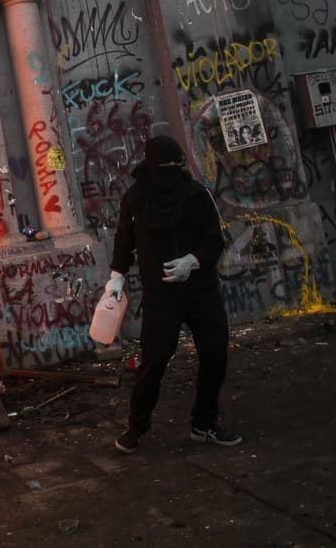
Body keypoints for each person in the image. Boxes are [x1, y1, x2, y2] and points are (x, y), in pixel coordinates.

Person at [104, 134, 240, 452]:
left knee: (215, 352)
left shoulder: (196, 195)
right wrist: (116, 278)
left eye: (175, 165)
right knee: (154, 359)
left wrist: (192, 262)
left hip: (201, 290)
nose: (172, 172)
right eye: (166, 166)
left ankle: (204, 424)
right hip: (160, 295)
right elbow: (124, 242)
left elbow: (214, 240)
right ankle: (136, 428)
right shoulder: (135, 199)